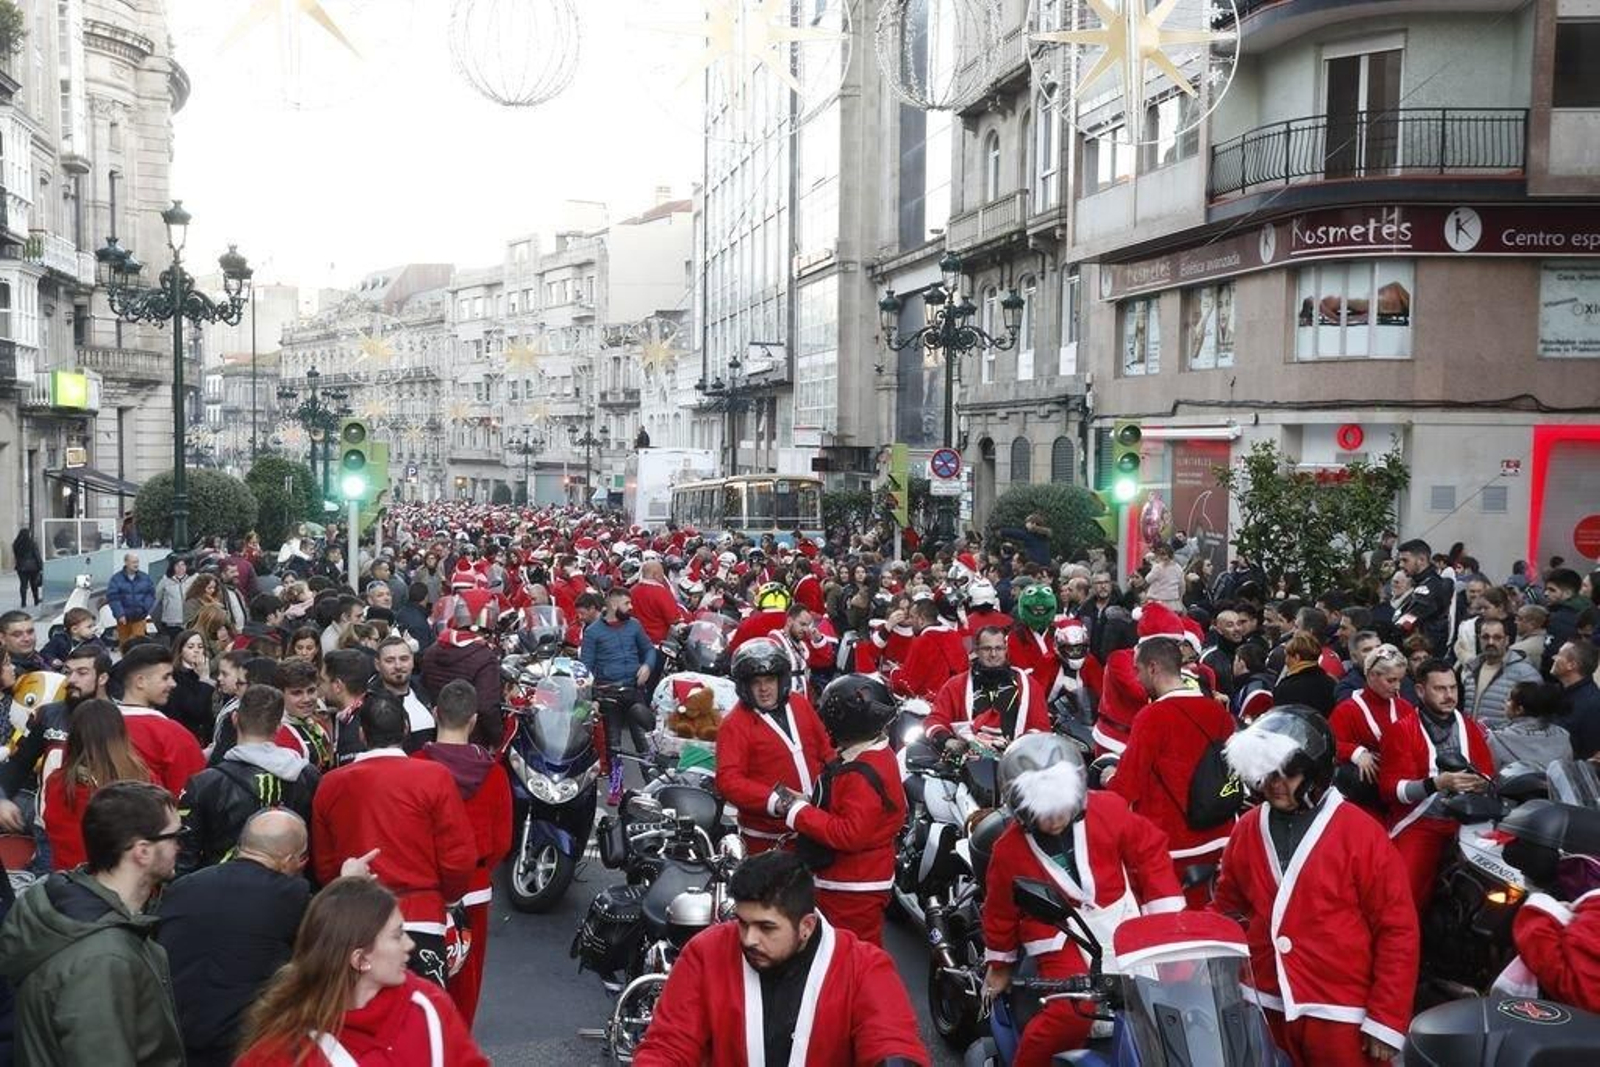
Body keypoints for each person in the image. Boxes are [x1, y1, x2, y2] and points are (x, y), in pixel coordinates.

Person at [1215, 708, 1419, 1066]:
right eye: (1268, 773)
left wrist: (1386, 1018)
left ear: (1315, 774)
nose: (1276, 783)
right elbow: (1227, 907)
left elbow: (1397, 930)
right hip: (1264, 1001)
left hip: (1340, 1010)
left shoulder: (1361, 832)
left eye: (1289, 773)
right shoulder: (1247, 827)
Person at [982, 734, 1184, 1067]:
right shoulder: (1008, 851)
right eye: (1042, 812)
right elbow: (1000, 910)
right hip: (1060, 935)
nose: (1054, 819)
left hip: (1122, 919)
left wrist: (1166, 916)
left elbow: (1150, 853)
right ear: (1022, 808)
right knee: (1073, 1010)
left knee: (1173, 992)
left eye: (1060, 807)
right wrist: (1000, 965)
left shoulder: (1110, 809)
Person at [633, 850, 930, 1067]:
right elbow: (669, 1046)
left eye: (766, 927)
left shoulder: (863, 966)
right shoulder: (705, 953)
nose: (749, 938)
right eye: (743, 922)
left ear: (806, 926)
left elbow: (891, 1039)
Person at [0, 781, 186, 1064]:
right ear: (143, 851)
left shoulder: (73, 910)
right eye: (174, 835)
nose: (180, 845)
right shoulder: (102, 959)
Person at [312, 692, 478, 986]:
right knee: (422, 1017)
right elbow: (458, 856)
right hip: (422, 918)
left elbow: (326, 866)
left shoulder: (330, 784)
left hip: (358, 919)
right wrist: (449, 898)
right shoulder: (435, 777)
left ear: (362, 734)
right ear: (405, 728)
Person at [236, 877, 487, 1066]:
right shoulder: (283, 1052)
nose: (409, 945)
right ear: (360, 958)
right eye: (397, 935)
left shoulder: (428, 1002)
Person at [158, 810, 316, 1067]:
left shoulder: (183, 887)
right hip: (242, 1047)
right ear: (291, 859)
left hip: (173, 1040)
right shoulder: (293, 897)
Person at [1103, 636, 1238, 904]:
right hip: (1221, 833)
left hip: (1173, 845)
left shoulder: (1152, 716)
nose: (1138, 679)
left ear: (1153, 668)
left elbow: (1128, 785)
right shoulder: (1216, 710)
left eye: (1138, 670)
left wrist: (1108, 778)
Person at [773, 674, 905, 947]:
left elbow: (850, 833)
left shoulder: (863, 771)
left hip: (852, 886)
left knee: (850, 955)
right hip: (855, 882)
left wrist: (798, 811)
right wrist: (811, 801)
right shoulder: (876, 756)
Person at [412, 679, 513, 1025]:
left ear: (436, 713)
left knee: (417, 976)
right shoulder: (494, 774)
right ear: (472, 720)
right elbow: (502, 842)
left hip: (423, 888)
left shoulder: (414, 765)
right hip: (474, 887)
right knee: (466, 980)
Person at [1379, 658, 1494, 915]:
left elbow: (1488, 773)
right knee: (1403, 897)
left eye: (1452, 688)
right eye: (1440, 689)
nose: (1449, 695)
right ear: (1420, 691)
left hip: (1467, 821)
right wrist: (1436, 784)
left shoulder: (1469, 726)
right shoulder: (1402, 731)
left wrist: (1480, 783)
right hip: (1421, 824)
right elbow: (1390, 790)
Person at [177, 684, 322, 876]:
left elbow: (184, 859)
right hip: (289, 890)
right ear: (279, 726)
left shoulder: (204, 784)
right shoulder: (309, 776)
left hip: (221, 890)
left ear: (235, 719)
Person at [716, 637, 835, 855]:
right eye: (756, 682)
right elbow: (729, 780)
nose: (763, 689)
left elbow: (825, 749)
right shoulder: (734, 724)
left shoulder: (799, 703)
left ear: (780, 680)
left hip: (816, 827)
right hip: (769, 840)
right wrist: (776, 801)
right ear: (745, 685)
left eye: (769, 680)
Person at [42, 698, 152, 870]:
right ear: (120, 734)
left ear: (74, 736)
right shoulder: (142, 780)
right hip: (126, 885)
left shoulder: (57, 783)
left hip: (68, 885)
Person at [579, 585, 656, 803]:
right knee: (614, 746)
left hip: (634, 689)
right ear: (613, 604)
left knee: (645, 741)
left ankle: (653, 785)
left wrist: (647, 666)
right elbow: (587, 667)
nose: (631, 607)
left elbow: (649, 649)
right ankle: (616, 788)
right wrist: (591, 698)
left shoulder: (634, 625)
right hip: (608, 693)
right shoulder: (593, 632)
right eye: (627, 603)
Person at [924, 625, 1049, 749]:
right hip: (969, 763)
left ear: (1006, 649)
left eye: (998, 648)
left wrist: (1020, 746)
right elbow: (934, 720)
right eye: (987, 649)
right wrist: (948, 741)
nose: (993, 654)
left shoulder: (1028, 685)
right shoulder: (955, 685)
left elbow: (1041, 727)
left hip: (1017, 763)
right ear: (977, 650)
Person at [115, 642, 208, 796]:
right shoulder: (172, 734)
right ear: (140, 681)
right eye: (166, 677)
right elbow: (194, 794)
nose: (173, 683)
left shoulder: (98, 726)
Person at [888, 598, 968, 701]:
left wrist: (894, 671)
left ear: (921, 620)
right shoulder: (954, 635)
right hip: (957, 701)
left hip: (931, 707)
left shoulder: (923, 641)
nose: (911, 621)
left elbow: (908, 684)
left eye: (912, 617)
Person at [1487, 681, 1572, 770]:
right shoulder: (1563, 735)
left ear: (1519, 710)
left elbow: (1488, 777)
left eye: (1509, 700)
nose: (1505, 702)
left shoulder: (1497, 739)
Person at [372, 635, 436, 750]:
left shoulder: (426, 693)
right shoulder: (369, 702)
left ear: (412, 661)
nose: (398, 666)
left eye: (404, 659)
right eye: (390, 661)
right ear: (377, 665)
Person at [167, 627, 217, 744]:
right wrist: (204, 679)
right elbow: (195, 709)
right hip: (183, 735)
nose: (196, 651)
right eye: (190, 647)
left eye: (200, 647)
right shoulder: (175, 677)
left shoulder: (201, 672)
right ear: (180, 650)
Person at [1552, 640, 1600, 759]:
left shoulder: (1593, 705)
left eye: (1559, 655)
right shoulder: (1555, 692)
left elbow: (1590, 753)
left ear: (1571, 665)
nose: (1554, 658)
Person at [1272, 630, 1338, 715]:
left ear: (1296, 657)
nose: (1286, 660)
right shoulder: (1331, 683)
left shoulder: (1286, 687)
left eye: (1288, 656)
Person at [107, 552, 157, 648]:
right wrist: (120, 614)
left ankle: (137, 662)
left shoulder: (145, 578)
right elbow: (113, 597)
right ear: (126, 562)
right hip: (123, 619)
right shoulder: (116, 579)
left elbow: (151, 594)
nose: (136, 564)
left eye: (137, 562)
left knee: (139, 645)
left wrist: (144, 608)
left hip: (139, 617)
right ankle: (125, 662)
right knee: (125, 645)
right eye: (133, 562)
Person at [152, 556, 192, 638]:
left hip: (189, 618)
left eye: (183, 565)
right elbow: (156, 597)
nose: (180, 568)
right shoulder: (165, 581)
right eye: (177, 565)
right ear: (173, 567)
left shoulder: (192, 579)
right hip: (172, 619)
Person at [0, 610, 45, 674]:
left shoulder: (41, 659)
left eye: (30, 632)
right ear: (2, 638)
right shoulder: (5, 676)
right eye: (17, 635)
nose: (27, 639)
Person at [11, 527, 42, 607]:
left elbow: (16, 556)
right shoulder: (32, 543)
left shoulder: (16, 544)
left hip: (21, 567)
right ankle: (36, 600)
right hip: (33, 567)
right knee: (34, 584)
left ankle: (23, 602)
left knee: (23, 585)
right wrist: (41, 566)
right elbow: (37, 556)